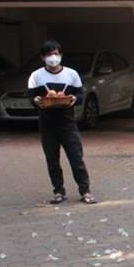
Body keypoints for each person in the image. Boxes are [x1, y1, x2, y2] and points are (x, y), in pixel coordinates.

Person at [28, 40, 97, 205]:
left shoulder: (71, 74)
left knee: (76, 158)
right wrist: (37, 100)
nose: (53, 57)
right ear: (42, 57)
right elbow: (31, 98)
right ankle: (58, 191)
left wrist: (73, 98)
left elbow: (80, 96)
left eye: (56, 53)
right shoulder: (36, 76)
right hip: (47, 124)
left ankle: (85, 191)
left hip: (68, 123)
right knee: (52, 160)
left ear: (61, 55)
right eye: (49, 54)